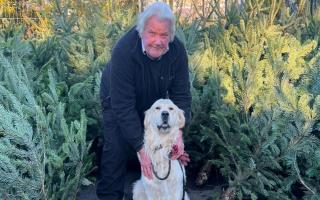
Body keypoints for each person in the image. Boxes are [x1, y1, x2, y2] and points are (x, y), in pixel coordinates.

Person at [96, 2, 191, 200]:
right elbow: (123, 107)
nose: (157, 40)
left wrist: (179, 137)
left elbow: (181, 96)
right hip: (117, 100)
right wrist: (141, 149)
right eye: (152, 33)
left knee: (167, 152)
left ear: (171, 36)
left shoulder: (177, 52)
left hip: (152, 103)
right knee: (116, 150)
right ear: (141, 32)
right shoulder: (123, 51)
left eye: (164, 35)